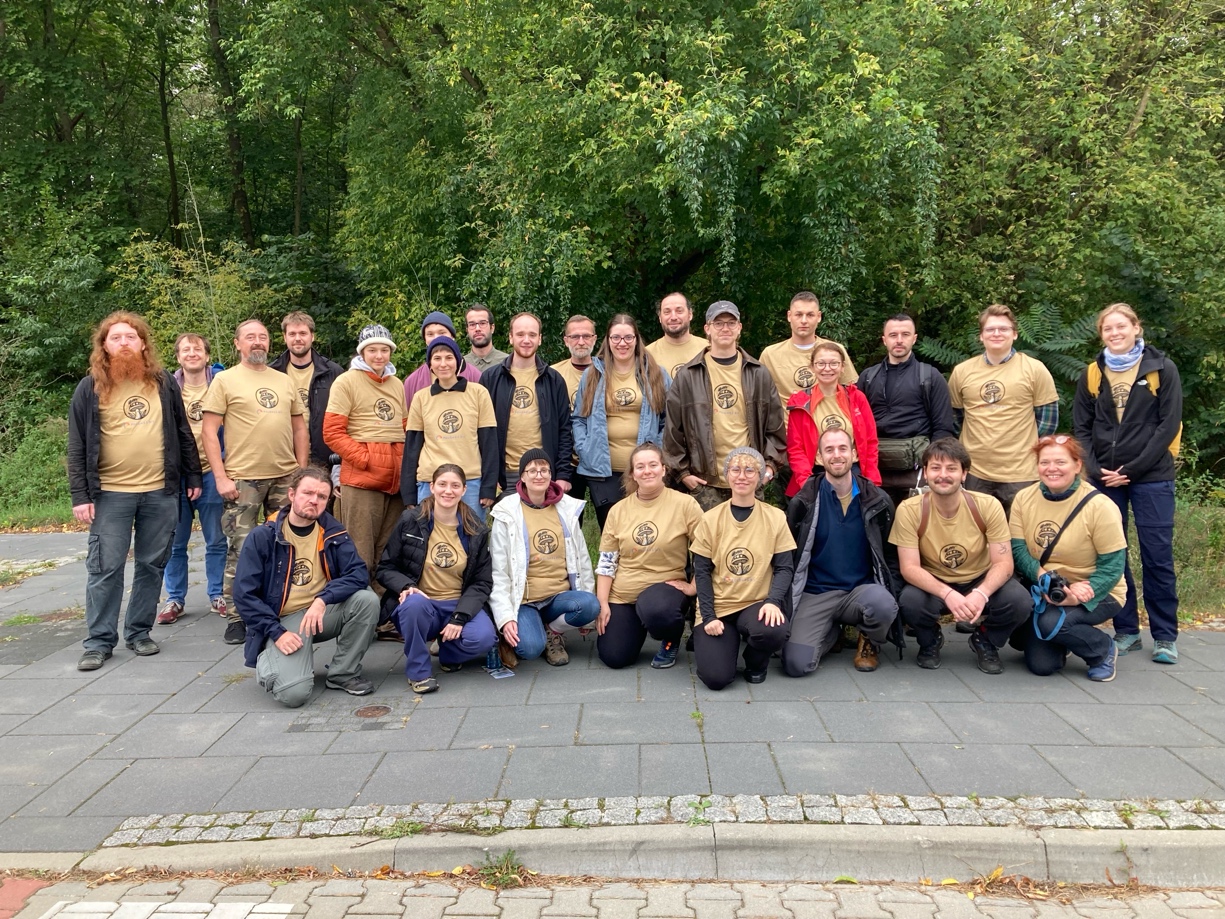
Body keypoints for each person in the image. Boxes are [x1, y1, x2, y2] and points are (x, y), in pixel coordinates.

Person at [68, 312, 202, 671]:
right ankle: (99, 641)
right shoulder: (90, 387)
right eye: (116, 338)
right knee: (105, 568)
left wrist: (193, 477)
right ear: (105, 347)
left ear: (143, 343)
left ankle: (139, 633)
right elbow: (77, 445)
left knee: (151, 564)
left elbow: (182, 431)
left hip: (160, 491)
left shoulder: (162, 383)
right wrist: (80, 495)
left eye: (130, 337)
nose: (124, 343)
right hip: (110, 494)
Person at [1073, 303, 1183, 664]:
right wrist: (1093, 468)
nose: (1115, 333)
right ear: (1101, 334)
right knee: (1112, 557)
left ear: (1136, 327)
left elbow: (1168, 426)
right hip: (1105, 477)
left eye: (1122, 326)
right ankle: (1126, 630)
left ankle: (1165, 636)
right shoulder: (1092, 373)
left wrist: (1132, 470)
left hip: (1151, 477)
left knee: (1157, 557)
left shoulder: (1162, 369)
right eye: (1108, 329)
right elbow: (1082, 429)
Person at [234, 466, 379, 707]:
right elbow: (244, 595)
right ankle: (269, 656)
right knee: (293, 695)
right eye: (308, 493)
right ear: (292, 495)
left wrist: (323, 599)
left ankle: (343, 673)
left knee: (367, 600)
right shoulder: (264, 536)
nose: (314, 500)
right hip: (284, 620)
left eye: (322, 496)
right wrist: (276, 632)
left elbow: (358, 573)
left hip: (320, 613)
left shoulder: (333, 531)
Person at [202, 319, 308, 646]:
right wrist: (220, 476)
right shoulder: (224, 381)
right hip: (243, 478)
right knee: (242, 548)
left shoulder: (284, 380)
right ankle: (238, 616)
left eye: (262, 337)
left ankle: (278, 608)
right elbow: (208, 431)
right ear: (237, 344)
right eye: (250, 337)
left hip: (283, 476)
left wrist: (301, 473)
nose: (257, 342)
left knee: (285, 545)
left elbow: (300, 428)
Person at [890, 438, 1030, 673]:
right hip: (935, 581)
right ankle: (930, 639)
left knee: (1020, 601)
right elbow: (909, 568)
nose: (943, 475)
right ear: (925, 473)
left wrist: (981, 593)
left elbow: (1004, 563)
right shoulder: (909, 509)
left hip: (978, 578)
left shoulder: (988, 505)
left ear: (964, 474)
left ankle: (986, 639)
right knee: (909, 602)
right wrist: (948, 594)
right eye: (935, 468)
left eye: (951, 468)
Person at [1008, 435, 1127, 681]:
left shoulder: (1100, 506)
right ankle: (1062, 640)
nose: (1052, 468)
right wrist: (1044, 578)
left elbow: (1113, 565)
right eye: (1045, 462)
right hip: (1046, 588)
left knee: (1051, 626)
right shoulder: (1023, 498)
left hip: (1096, 589)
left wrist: (1077, 595)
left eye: (1060, 462)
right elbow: (1018, 549)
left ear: (1077, 465)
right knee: (1040, 664)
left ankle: (1102, 650)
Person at [784, 428, 900, 676]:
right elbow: (789, 557)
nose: (836, 455)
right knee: (795, 664)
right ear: (819, 458)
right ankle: (830, 632)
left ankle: (869, 639)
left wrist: (893, 590)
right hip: (816, 592)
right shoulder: (804, 501)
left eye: (842, 448)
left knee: (883, 605)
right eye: (829, 450)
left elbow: (890, 557)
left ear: (855, 454)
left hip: (861, 592)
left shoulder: (877, 500)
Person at [377, 464, 497, 693]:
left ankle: (448, 651)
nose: (447, 491)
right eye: (442, 484)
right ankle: (419, 672)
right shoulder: (410, 520)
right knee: (413, 603)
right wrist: (406, 586)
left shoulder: (476, 529)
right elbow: (385, 567)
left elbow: (482, 582)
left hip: (456, 603)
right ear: (431, 487)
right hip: (422, 604)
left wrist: (459, 618)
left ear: (463, 490)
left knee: (484, 638)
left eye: (455, 486)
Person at [664, 300, 786, 511]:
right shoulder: (688, 376)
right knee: (707, 543)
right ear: (707, 329)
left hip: (749, 478)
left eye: (731, 323)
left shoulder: (758, 373)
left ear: (739, 328)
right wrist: (684, 475)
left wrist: (768, 469)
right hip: (705, 484)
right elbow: (673, 430)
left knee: (750, 543)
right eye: (718, 323)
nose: (725, 328)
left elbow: (775, 427)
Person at [690, 447, 796, 689]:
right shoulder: (710, 519)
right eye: (735, 469)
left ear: (760, 477)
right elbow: (702, 571)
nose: (742, 476)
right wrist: (708, 616)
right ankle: (725, 644)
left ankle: (755, 661)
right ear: (727, 475)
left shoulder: (776, 517)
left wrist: (773, 601)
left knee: (773, 630)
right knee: (717, 679)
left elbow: (784, 568)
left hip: (756, 604)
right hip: (719, 607)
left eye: (750, 470)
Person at [595, 443, 703, 669]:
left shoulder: (685, 504)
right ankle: (637, 625)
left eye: (653, 465)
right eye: (640, 466)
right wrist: (602, 602)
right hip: (624, 594)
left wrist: (693, 587)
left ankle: (670, 638)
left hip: (664, 590)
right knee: (614, 657)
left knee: (657, 609)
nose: (647, 471)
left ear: (663, 469)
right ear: (633, 474)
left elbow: (706, 549)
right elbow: (607, 562)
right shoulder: (618, 510)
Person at [488, 449, 598, 666]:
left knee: (590, 606)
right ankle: (520, 630)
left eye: (544, 470)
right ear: (522, 476)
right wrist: (505, 618)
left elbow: (582, 558)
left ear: (551, 474)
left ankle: (552, 630)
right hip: (525, 600)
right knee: (530, 649)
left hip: (558, 596)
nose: (539, 475)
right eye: (532, 470)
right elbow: (498, 572)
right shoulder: (506, 514)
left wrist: (587, 608)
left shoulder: (567, 508)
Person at [947, 304, 1059, 516]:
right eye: (990, 329)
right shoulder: (962, 372)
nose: (996, 333)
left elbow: (1048, 421)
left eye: (1003, 329)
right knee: (977, 536)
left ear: (1015, 334)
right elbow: (955, 418)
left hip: (1021, 473)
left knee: (1020, 537)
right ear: (981, 336)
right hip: (975, 471)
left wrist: (1033, 453)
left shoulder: (1034, 369)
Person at [323, 324, 407, 601]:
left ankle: (383, 614)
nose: (379, 356)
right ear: (362, 352)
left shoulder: (397, 384)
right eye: (373, 350)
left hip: (394, 482)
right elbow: (332, 432)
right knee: (360, 551)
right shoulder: (346, 382)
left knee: (387, 551)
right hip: (363, 479)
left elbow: (405, 428)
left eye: (385, 350)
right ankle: (360, 613)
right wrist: (364, 459)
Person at [573, 314, 670, 528]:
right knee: (611, 533)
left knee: (645, 530)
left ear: (636, 339)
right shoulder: (592, 375)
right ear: (607, 340)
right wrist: (584, 448)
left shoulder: (656, 374)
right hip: (602, 471)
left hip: (645, 470)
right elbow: (579, 418)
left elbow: (669, 420)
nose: (622, 343)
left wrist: (658, 451)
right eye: (616, 338)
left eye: (628, 337)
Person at [158, 333, 227, 624]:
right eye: (185, 349)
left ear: (207, 355)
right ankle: (175, 599)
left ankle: (217, 594)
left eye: (197, 349)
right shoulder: (166, 388)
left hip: (214, 471)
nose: (192, 353)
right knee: (175, 542)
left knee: (217, 538)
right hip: (178, 474)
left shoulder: (222, 383)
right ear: (178, 357)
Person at [857, 314, 957, 508]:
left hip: (916, 471)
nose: (899, 340)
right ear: (884, 340)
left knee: (917, 529)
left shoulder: (930, 377)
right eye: (893, 335)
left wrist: (934, 468)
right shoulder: (868, 377)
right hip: (876, 471)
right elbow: (857, 426)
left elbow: (943, 429)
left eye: (905, 334)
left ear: (914, 338)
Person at [403, 336, 499, 517]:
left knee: (471, 538)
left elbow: (489, 442)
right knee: (431, 538)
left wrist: (488, 487)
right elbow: (412, 447)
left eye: (449, 357)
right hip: (429, 482)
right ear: (430, 364)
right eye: (437, 358)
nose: (443, 364)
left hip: (470, 482)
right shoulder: (421, 397)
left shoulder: (478, 393)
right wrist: (408, 493)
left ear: (458, 361)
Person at [480, 313, 574, 492]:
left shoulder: (553, 380)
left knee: (541, 520)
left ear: (540, 339)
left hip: (543, 473)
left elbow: (564, 430)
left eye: (532, 335)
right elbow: (481, 432)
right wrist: (490, 475)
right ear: (510, 338)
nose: (526, 340)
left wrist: (562, 474)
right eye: (520, 334)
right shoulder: (490, 379)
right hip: (505, 475)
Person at [785, 341, 881, 495]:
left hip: (853, 471)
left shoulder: (857, 398)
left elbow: (870, 442)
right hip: (815, 472)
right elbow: (796, 449)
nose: (827, 368)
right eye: (821, 363)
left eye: (834, 363)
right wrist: (806, 483)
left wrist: (870, 482)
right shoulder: (800, 402)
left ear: (843, 367)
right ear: (812, 367)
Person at [760, 290, 857, 414]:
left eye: (810, 315)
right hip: (787, 430)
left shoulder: (835, 351)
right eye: (798, 314)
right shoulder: (770, 355)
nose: (804, 320)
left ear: (819, 317)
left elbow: (852, 394)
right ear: (789, 316)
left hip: (828, 429)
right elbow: (759, 397)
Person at [269, 311, 343, 471]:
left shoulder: (334, 372)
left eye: (303, 333)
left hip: (325, 459)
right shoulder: (271, 373)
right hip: (283, 458)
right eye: (292, 334)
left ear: (312, 336)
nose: (297, 338)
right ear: (284, 337)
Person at [551, 315, 598, 508]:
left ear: (595, 339)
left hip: (601, 460)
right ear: (566, 340)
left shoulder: (609, 371)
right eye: (575, 336)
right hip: (566, 461)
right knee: (567, 522)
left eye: (586, 336)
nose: (581, 341)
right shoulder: (553, 374)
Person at [403, 311, 482, 404]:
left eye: (442, 333)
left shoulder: (475, 375)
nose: (436, 338)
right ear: (425, 340)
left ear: (452, 336)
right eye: (430, 334)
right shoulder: (412, 382)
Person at [645, 292, 708, 379]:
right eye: (667, 312)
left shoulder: (708, 349)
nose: (673, 317)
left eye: (679, 311)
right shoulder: (647, 355)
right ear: (660, 317)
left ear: (690, 314)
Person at [462, 303, 509, 372]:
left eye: (482, 323)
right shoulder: (460, 365)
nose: (477, 328)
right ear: (467, 330)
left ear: (492, 328)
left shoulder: (507, 363)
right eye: (472, 324)